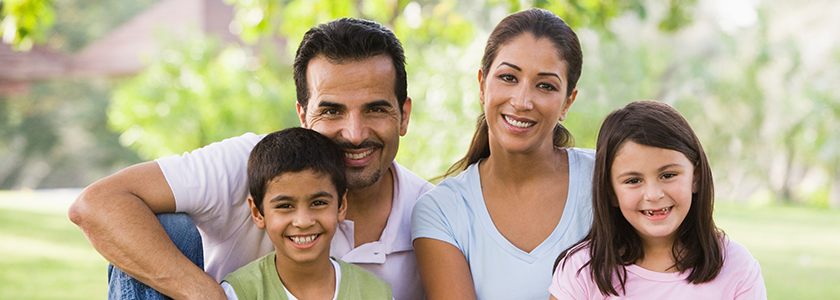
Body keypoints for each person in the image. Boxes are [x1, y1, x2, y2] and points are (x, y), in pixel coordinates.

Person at [68, 17, 433, 300]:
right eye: (332, 111)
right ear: (303, 117)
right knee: (164, 229)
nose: (354, 134)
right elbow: (97, 204)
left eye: (375, 109)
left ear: (404, 115)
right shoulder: (251, 161)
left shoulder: (434, 215)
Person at [411, 8, 594, 300]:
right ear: (483, 85)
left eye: (545, 86)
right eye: (508, 77)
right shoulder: (442, 210)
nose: (522, 101)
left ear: (567, 102)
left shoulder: (606, 181)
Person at [549, 100, 767, 299]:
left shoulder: (737, 267)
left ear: (696, 177)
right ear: (611, 192)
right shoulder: (581, 269)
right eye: (633, 180)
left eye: (668, 175)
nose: (653, 195)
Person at [220, 127, 391, 300]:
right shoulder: (238, 293)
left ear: (341, 206)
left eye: (318, 203)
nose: (303, 222)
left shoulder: (374, 293)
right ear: (258, 213)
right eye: (285, 206)